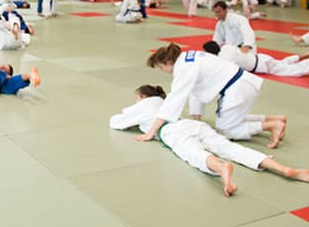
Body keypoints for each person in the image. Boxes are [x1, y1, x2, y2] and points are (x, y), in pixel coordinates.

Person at [110, 84, 308, 197]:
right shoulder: (165, 101)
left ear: (143, 96)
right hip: (193, 125)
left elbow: (115, 122)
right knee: (232, 148)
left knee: (195, 155)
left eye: (136, 98)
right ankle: (284, 169)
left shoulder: (141, 106)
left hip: (173, 132)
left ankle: (222, 169)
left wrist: (131, 114)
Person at [141, 43, 286, 148]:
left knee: (226, 130)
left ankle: (271, 125)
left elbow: (174, 99)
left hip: (239, 89)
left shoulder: (183, 67)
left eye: (161, 67)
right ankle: (274, 118)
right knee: (229, 121)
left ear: (168, 62)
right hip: (243, 84)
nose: (163, 71)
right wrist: (197, 118)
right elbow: (195, 91)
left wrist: (151, 131)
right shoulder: (187, 58)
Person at [203, 41, 309, 77]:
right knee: (282, 63)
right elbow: (241, 47)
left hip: (262, 66)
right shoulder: (226, 47)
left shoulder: (223, 60)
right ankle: (301, 57)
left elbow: (232, 70)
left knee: (292, 71)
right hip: (262, 57)